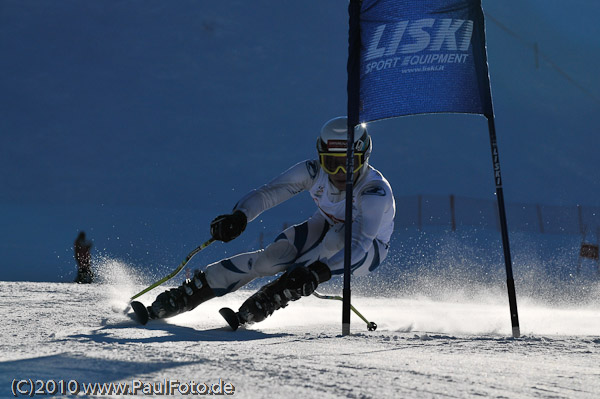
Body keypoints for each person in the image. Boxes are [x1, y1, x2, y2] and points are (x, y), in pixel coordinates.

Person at [137, 116, 395, 326]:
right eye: (332, 163)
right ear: (320, 157)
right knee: (271, 258)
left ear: (364, 158)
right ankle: (190, 293)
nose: (340, 173)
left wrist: (319, 273)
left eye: (349, 164)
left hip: (368, 250)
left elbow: (359, 244)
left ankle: (275, 294)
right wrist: (240, 216)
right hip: (327, 224)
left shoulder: (374, 191)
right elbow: (270, 192)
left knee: (333, 241)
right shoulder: (313, 171)